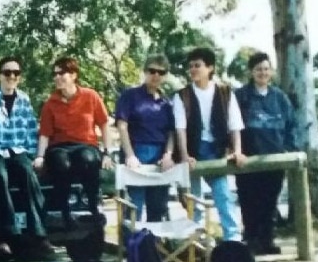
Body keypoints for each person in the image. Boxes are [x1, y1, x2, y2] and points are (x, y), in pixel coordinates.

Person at [0, 56, 54, 257]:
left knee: (27, 172)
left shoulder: (24, 99)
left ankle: (39, 235)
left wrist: (34, 156)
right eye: (7, 73)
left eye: (16, 73)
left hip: (17, 149)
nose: (12, 77)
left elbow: (31, 129)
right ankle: (5, 237)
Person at [173, 47, 245, 241]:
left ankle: (233, 242)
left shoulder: (225, 92)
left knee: (224, 197)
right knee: (194, 203)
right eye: (191, 66)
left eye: (198, 65)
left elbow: (235, 125)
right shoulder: (182, 96)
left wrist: (237, 151)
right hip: (194, 151)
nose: (193, 70)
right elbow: (180, 129)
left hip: (216, 150)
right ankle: (195, 246)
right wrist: (185, 155)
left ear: (210, 67)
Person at [36, 56, 114, 228]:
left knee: (87, 158)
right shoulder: (50, 103)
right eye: (54, 74)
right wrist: (40, 157)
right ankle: (65, 212)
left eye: (61, 73)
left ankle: (93, 208)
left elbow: (104, 124)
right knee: (60, 163)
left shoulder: (90, 96)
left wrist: (107, 152)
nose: (57, 77)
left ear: (73, 75)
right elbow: (45, 134)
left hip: (86, 144)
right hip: (60, 146)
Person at [235, 52, 295, 255]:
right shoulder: (240, 96)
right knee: (249, 201)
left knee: (270, 202)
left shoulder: (280, 97)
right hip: (247, 161)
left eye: (266, 69)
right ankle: (251, 239)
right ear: (251, 72)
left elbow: (290, 127)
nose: (263, 72)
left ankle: (267, 240)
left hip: (274, 161)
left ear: (271, 71)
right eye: (259, 69)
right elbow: (231, 126)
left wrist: (289, 149)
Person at [114, 54, 176, 222]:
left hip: (159, 157)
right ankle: (131, 247)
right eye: (152, 70)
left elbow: (172, 132)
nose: (156, 75)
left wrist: (168, 155)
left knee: (158, 208)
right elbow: (122, 126)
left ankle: (153, 246)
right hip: (136, 153)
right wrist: (130, 155)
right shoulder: (130, 95)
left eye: (161, 72)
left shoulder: (167, 103)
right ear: (145, 71)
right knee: (134, 207)